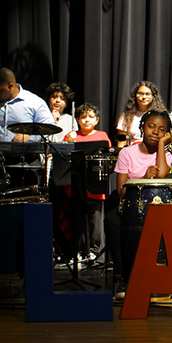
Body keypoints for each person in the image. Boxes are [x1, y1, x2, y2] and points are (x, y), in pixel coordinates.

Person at [103, 110, 172, 298]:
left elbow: (161, 174)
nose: (155, 132)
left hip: (158, 209)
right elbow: (121, 191)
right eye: (151, 126)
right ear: (142, 127)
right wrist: (143, 178)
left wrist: (161, 145)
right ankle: (123, 278)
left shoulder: (165, 155)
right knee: (112, 220)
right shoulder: (127, 153)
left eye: (162, 130)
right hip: (132, 208)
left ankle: (166, 277)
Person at [61, 103, 112, 259]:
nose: (87, 120)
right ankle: (79, 250)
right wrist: (69, 142)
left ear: (96, 120)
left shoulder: (102, 136)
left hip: (95, 184)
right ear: (77, 120)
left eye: (90, 117)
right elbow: (62, 158)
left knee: (95, 220)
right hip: (75, 185)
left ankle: (95, 251)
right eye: (83, 117)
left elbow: (107, 158)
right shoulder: (71, 135)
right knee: (78, 218)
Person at [0, 67, 56, 143]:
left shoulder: (34, 102)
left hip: (25, 153)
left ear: (11, 86)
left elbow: (49, 126)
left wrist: (30, 137)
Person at [116, 81, 167, 147]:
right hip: (132, 150)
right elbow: (121, 142)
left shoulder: (160, 116)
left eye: (147, 94)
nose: (144, 97)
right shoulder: (126, 115)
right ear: (135, 96)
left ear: (154, 96)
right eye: (140, 93)